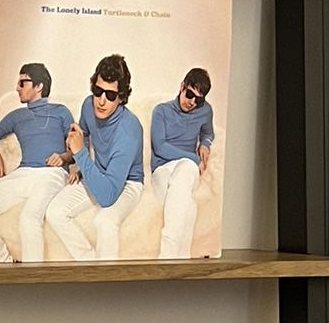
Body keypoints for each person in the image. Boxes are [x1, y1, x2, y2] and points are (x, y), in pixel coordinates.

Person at [0, 61, 74, 263]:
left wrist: (63, 157)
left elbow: (77, 148)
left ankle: (34, 276)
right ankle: (5, 262)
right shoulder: (16, 116)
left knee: (29, 218)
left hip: (52, 173)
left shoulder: (61, 111)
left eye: (22, 83)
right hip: (23, 174)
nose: (17, 88)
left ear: (39, 86)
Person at [43, 54, 146, 260]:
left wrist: (82, 156)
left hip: (127, 182)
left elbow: (107, 197)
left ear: (121, 97)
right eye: (98, 91)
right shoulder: (88, 105)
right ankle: (90, 263)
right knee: (54, 211)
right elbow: (84, 135)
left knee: (104, 221)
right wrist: (76, 162)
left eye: (110, 95)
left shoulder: (129, 131)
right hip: (99, 170)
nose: (101, 101)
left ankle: (107, 276)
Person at [147, 67, 215, 258]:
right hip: (163, 169)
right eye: (190, 94)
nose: (192, 102)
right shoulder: (161, 111)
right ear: (182, 86)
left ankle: (167, 256)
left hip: (187, 170)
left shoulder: (205, 111)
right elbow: (160, 147)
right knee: (188, 206)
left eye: (198, 100)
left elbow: (208, 133)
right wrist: (193, 158)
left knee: (185, 172)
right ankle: (182, 258)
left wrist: (205, 144)